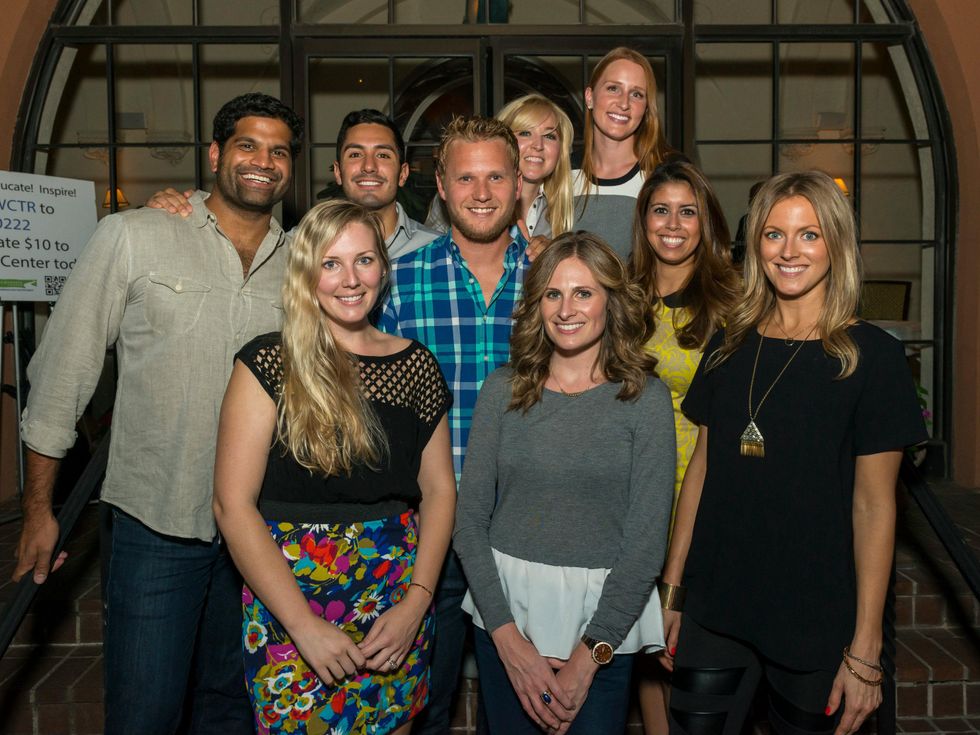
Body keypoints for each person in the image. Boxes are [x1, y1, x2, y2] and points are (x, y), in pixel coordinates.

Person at [14, 92, 303, 734]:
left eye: (278, 150)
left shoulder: (304, 267)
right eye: (247, 145)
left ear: (292, 168)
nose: (263, 161)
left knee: (233, 710)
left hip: (261, 536)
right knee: (144, 713)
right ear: (215, 154)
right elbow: (63, 377)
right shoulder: (133, 235)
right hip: (157, 525)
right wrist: (39, 510)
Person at [659, 171, 929, 735]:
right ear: (755, 243)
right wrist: (674, 589)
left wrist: (865, 646)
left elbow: (875, 508)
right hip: (716, 605)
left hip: (817, 615)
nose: (789, 251)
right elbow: (702, 471)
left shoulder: (871, 359)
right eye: (774, 233)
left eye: (809, 234)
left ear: (837, 243)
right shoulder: (729, 341)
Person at [212, 199, 456, 734]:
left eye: (364, 260)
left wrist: (417, 602)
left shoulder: (415, 365)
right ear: (306, 274)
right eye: (331, 263)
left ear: (383, 268)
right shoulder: (268, 363)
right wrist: (303, 626)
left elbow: (438, 491)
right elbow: (232, 506)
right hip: (291, 597)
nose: (351, 278)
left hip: (394, 596)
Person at [453, 232, 676, 734]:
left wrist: (589, 657)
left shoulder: (646, 401)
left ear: (611, 302)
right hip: (503, 615)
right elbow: (469, 524)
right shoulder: (502, 391)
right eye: (553, 293)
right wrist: (509, 642)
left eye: (584, 292)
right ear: (536, 304)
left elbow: (644, 547)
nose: (566, 308)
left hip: (605, 626)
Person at [378, 114, 529, 735]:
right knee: (423, 704)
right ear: (440, 185)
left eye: (496, 175)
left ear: (520, 183)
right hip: (428, 529)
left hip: (528, 529)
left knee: (523, 706)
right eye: (466, 177)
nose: (482, 191)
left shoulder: (557, 282)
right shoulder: (401, 283)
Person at [629, 161, 740, 734]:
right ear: (643, 219)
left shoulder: (734, 303)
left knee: (688, 654)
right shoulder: (622, 295)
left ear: (706, 222)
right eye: (660, 209)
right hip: (631, 496)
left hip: (701, 496)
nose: (673, 224)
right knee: (647, 649)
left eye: (687, 211)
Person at [148, 108, 437, 258]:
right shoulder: (295, 246)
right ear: (337, 171)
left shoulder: (436, 251)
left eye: (383, 155)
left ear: (403, 173)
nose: (369, 166)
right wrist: (182, 205)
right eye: (355, 154)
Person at [426, 94, 574, 243]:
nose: (538, 145)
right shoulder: (456, 198)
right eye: (525, 133)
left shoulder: (566, 206)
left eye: (549, 136)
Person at [572, 46, 675, 260]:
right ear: (589, 97)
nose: (624, 103)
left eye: (636, 94)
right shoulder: (562, 170)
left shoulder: (664, 173)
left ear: (646, 109)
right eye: (613, 88)